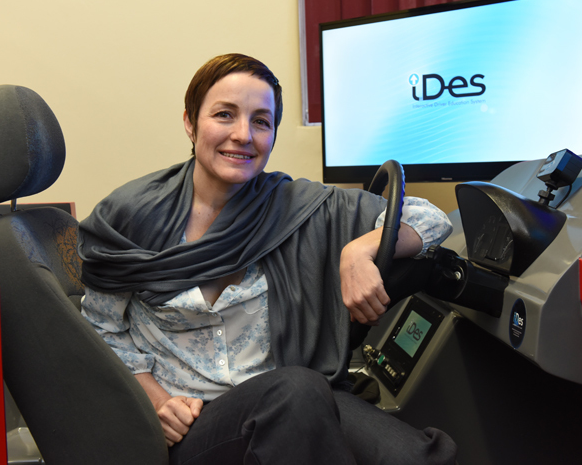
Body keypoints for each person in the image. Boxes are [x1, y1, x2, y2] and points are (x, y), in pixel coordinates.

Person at [78, 53, 457, 465]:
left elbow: (431, 219)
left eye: (261, 121)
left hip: (295, 402)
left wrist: (359, 250)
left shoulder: (301, 206)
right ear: (190, 121)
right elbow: (100, 327)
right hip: (191, 424)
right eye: (225, 115)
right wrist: (155, 400)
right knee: (296, 391)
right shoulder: (132, 215)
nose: (243, 135)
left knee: (420, 457)